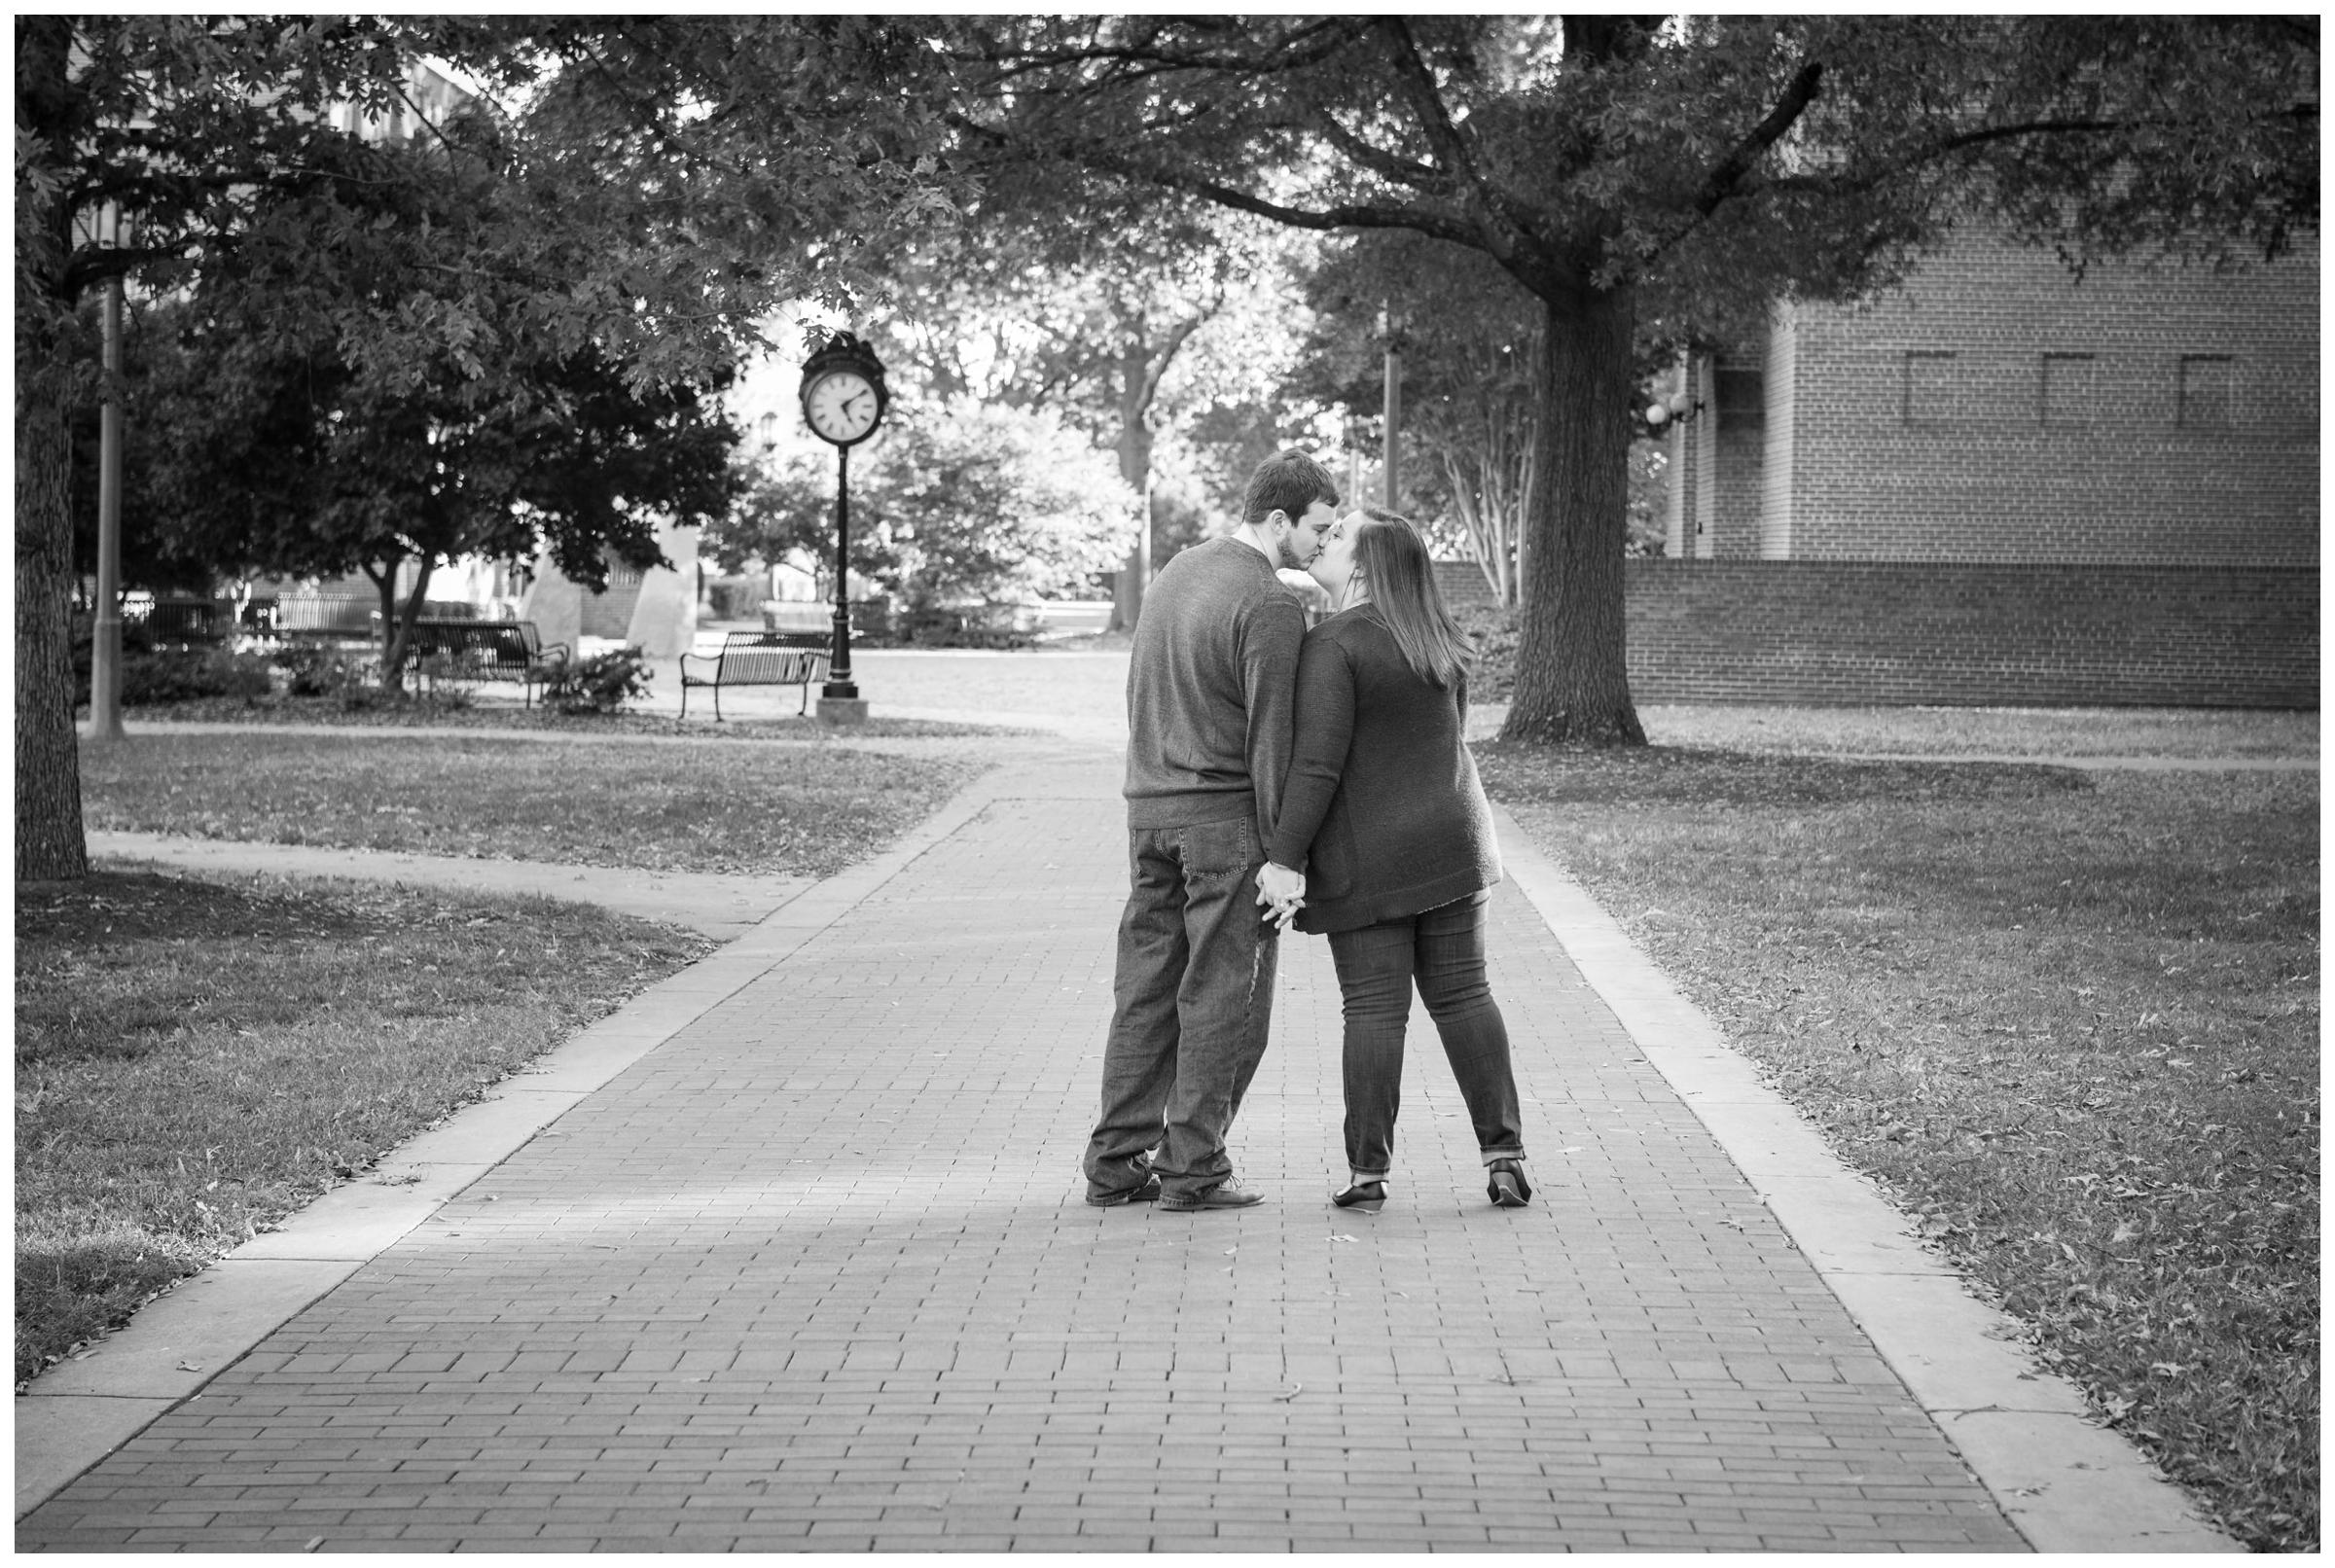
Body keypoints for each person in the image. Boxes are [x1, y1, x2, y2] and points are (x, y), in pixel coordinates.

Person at [1082, 450, 1341, 1213]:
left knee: (1147, 994)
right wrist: (1285, 857)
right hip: (1224, 826)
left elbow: (1139, 693)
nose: (1323, 544)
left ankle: (1114, 1165)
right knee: (1227, 1002)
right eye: (1317, 529)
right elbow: (1273, 739)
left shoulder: (1173, 574)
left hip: (1149, 812)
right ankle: (1194, 1169)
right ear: (1278, 519)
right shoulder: (1267, 602)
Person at [1256, 506, 1530, 1213]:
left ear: (1367, 566)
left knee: (1375, 1010)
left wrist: (1285, 859)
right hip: (1457, 841)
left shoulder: (1335, 644)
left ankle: (1368, 1175)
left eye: (1341, 535)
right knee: (1464, 995)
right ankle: (1505, 1156)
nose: (1327, 540)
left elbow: (1317, 766)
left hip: (1373, 855)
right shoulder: (1439, 637)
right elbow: (1449, 739)